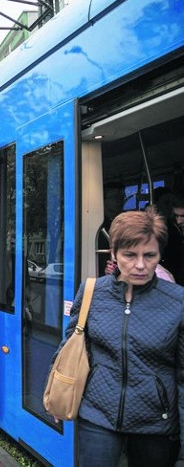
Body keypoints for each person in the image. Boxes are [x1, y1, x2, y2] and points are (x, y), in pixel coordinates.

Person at [50, 210, 184, 466]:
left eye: (150, 255)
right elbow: (69, 345)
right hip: (97, 416)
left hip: (155, 426)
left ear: (160, 255)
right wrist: (58, 392)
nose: (141, 265)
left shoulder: (177, 301)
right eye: (130, 255)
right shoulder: (92, 292)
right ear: (113, 253)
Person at [97, 181, 126, 276]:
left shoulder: (126, 221)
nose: (120, 200)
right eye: (115, 197)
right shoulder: (97, 225)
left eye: (122, 197)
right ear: (103, 200)